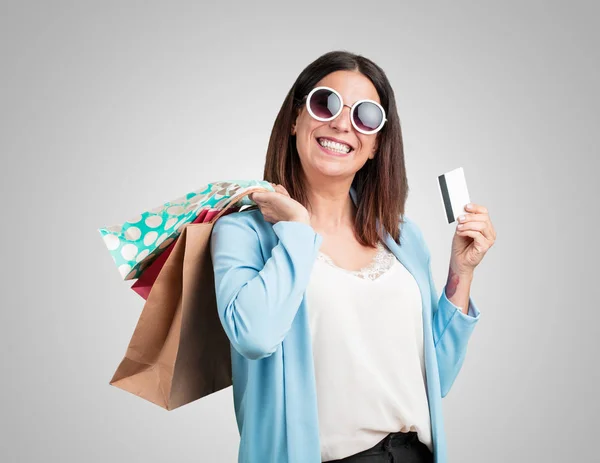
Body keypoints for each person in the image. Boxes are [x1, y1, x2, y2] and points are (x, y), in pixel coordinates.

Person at [210, 50, 496, 463]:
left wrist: (461, 275)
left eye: (365, 116)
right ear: (295, 119)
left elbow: (437, 378)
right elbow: (254, 336)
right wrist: (295, 229)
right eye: (324, 103)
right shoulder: (243, 234)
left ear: (377, 144)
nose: (342, 123)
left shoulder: (401, 237)